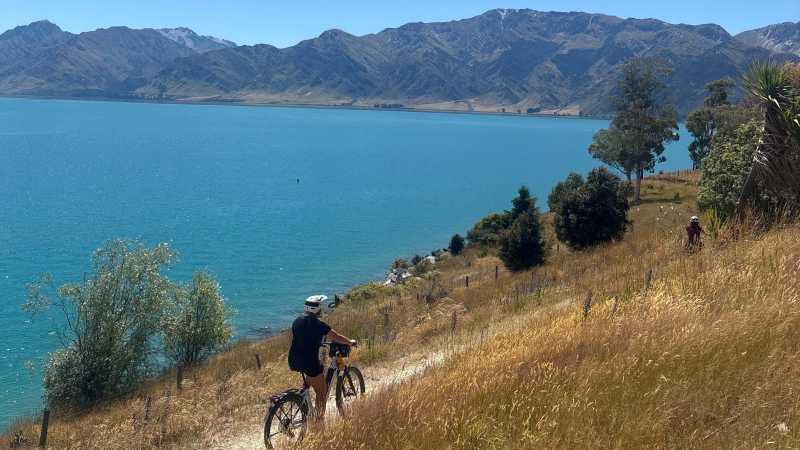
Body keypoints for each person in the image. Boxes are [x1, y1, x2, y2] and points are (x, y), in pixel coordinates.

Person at [288, 295, 356, 420]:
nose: (322, 310)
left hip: (294, 360)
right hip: (309, 362)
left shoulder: (297, 321)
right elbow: (337, 337)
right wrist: (349, 342)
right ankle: (318, 422)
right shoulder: (320, 325)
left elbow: (305, 337)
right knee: (322, 393)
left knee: (311, 378)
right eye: (321, 307)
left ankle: (302, 398)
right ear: (317, 309)